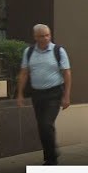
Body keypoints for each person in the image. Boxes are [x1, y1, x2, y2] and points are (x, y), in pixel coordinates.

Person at [16, 24, 71, 165]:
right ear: (35, 37)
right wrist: (20, 94)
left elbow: (67, 73)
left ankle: (51, 158)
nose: (46, 38)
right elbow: (24, 73)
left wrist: (66, 96)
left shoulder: (58, 51)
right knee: (42, 126)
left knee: (46, 124)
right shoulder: (29, 52)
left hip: (54, 93)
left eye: (48, 35)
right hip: (37, 94)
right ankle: (51, 153)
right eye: (42, 36)